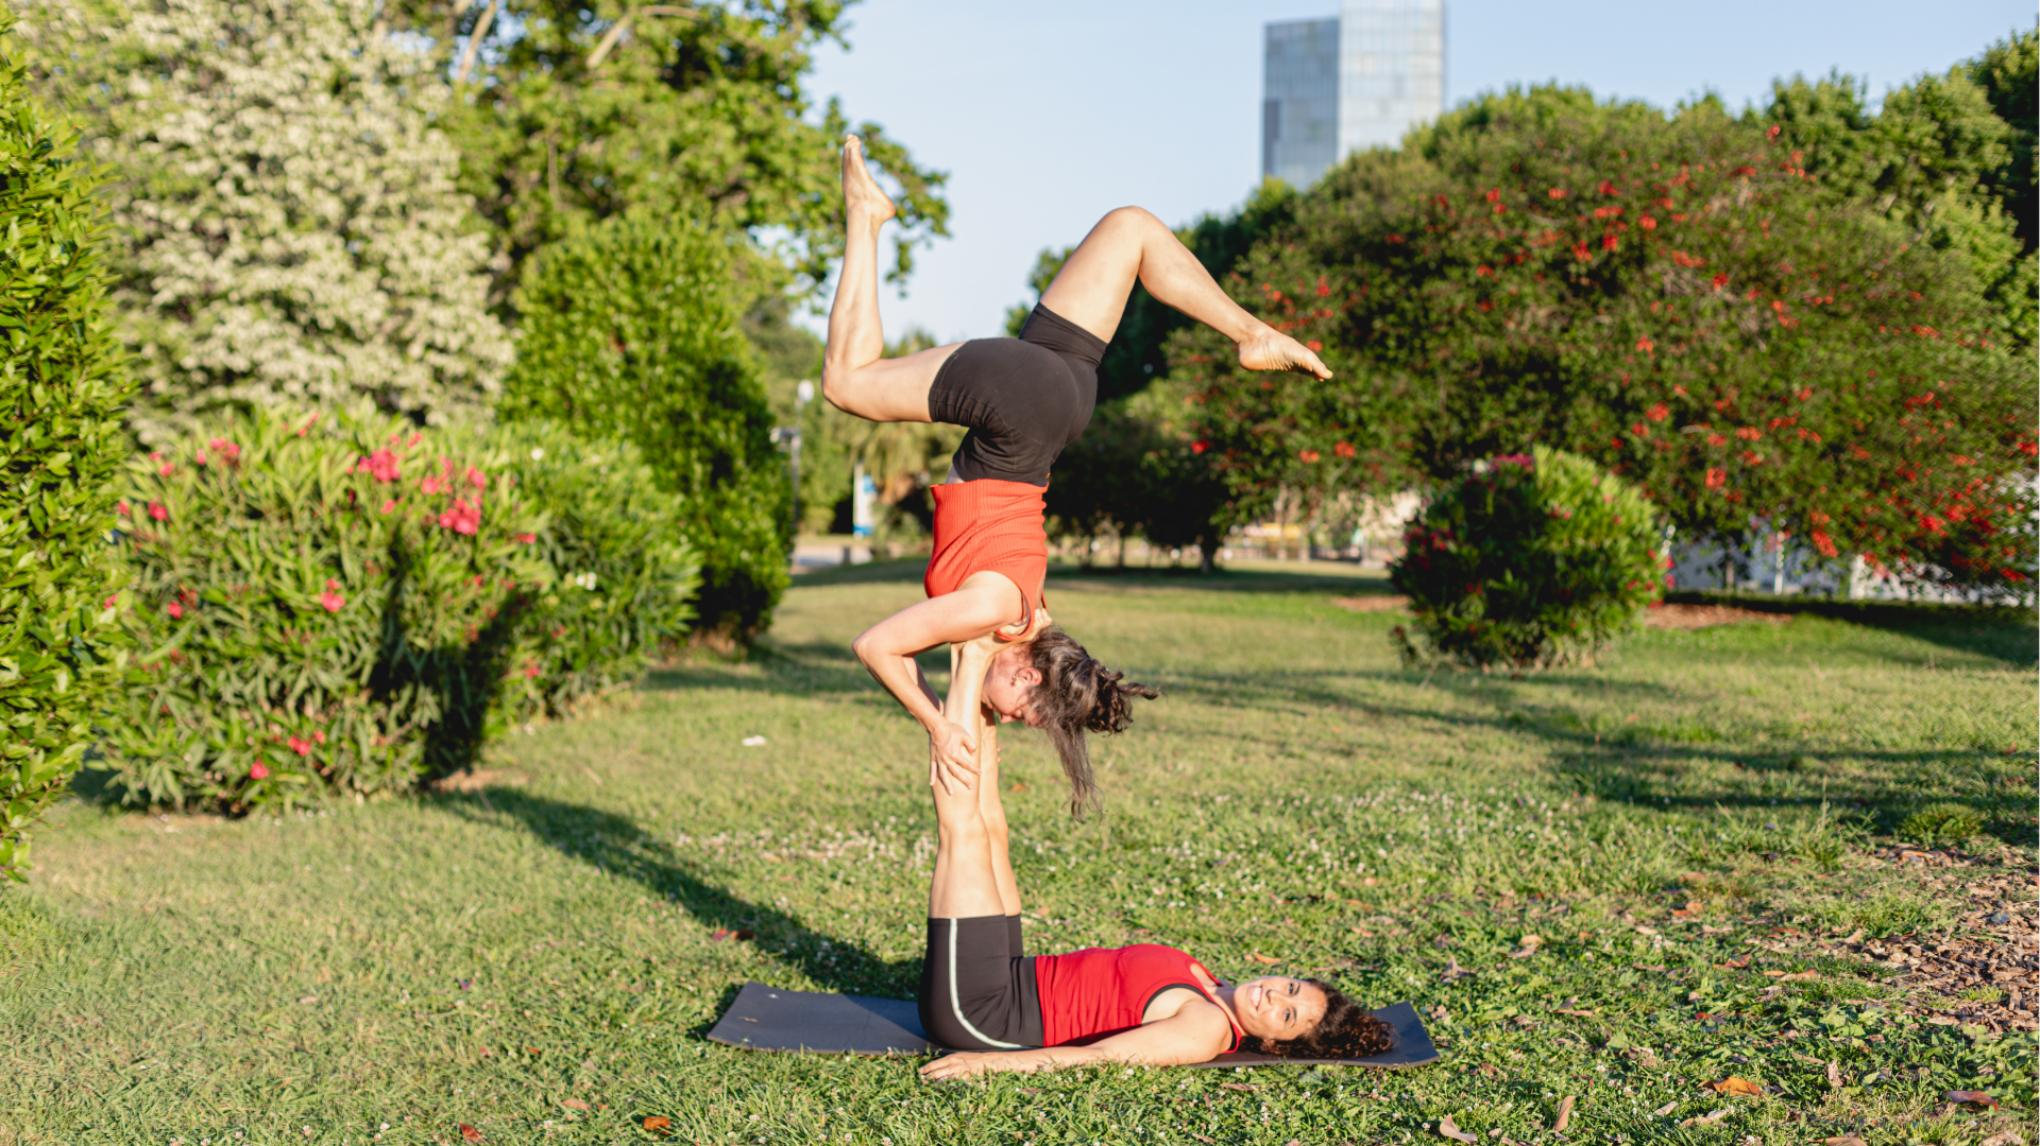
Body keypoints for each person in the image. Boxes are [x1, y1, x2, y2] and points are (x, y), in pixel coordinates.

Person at [825, 136, 1331, 809]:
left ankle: (1247, 331)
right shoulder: (992, 609)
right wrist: (938, 726)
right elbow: (877, 645)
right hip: (1018, 409)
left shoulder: (1030, 612)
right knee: (846, 382)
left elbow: (985, 656)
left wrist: (970, 703)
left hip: (1065, 399)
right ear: (1030, 676)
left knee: (1132, 228)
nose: (1008, 719)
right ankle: (865, 214)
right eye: (1025, 713)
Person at [912, 633, 1391, 1080]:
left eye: (1285, 1017)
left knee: (964, 833)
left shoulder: (1206, 1030)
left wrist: (988, 1066)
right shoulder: (1210, 982)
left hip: (984, 1013)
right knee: (990, 825)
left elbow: (1100, 1058)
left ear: (1275, 1046)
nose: (1273, 998)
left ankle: (969, 659)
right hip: (1011, 974)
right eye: (1289, 988)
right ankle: (974, 672)